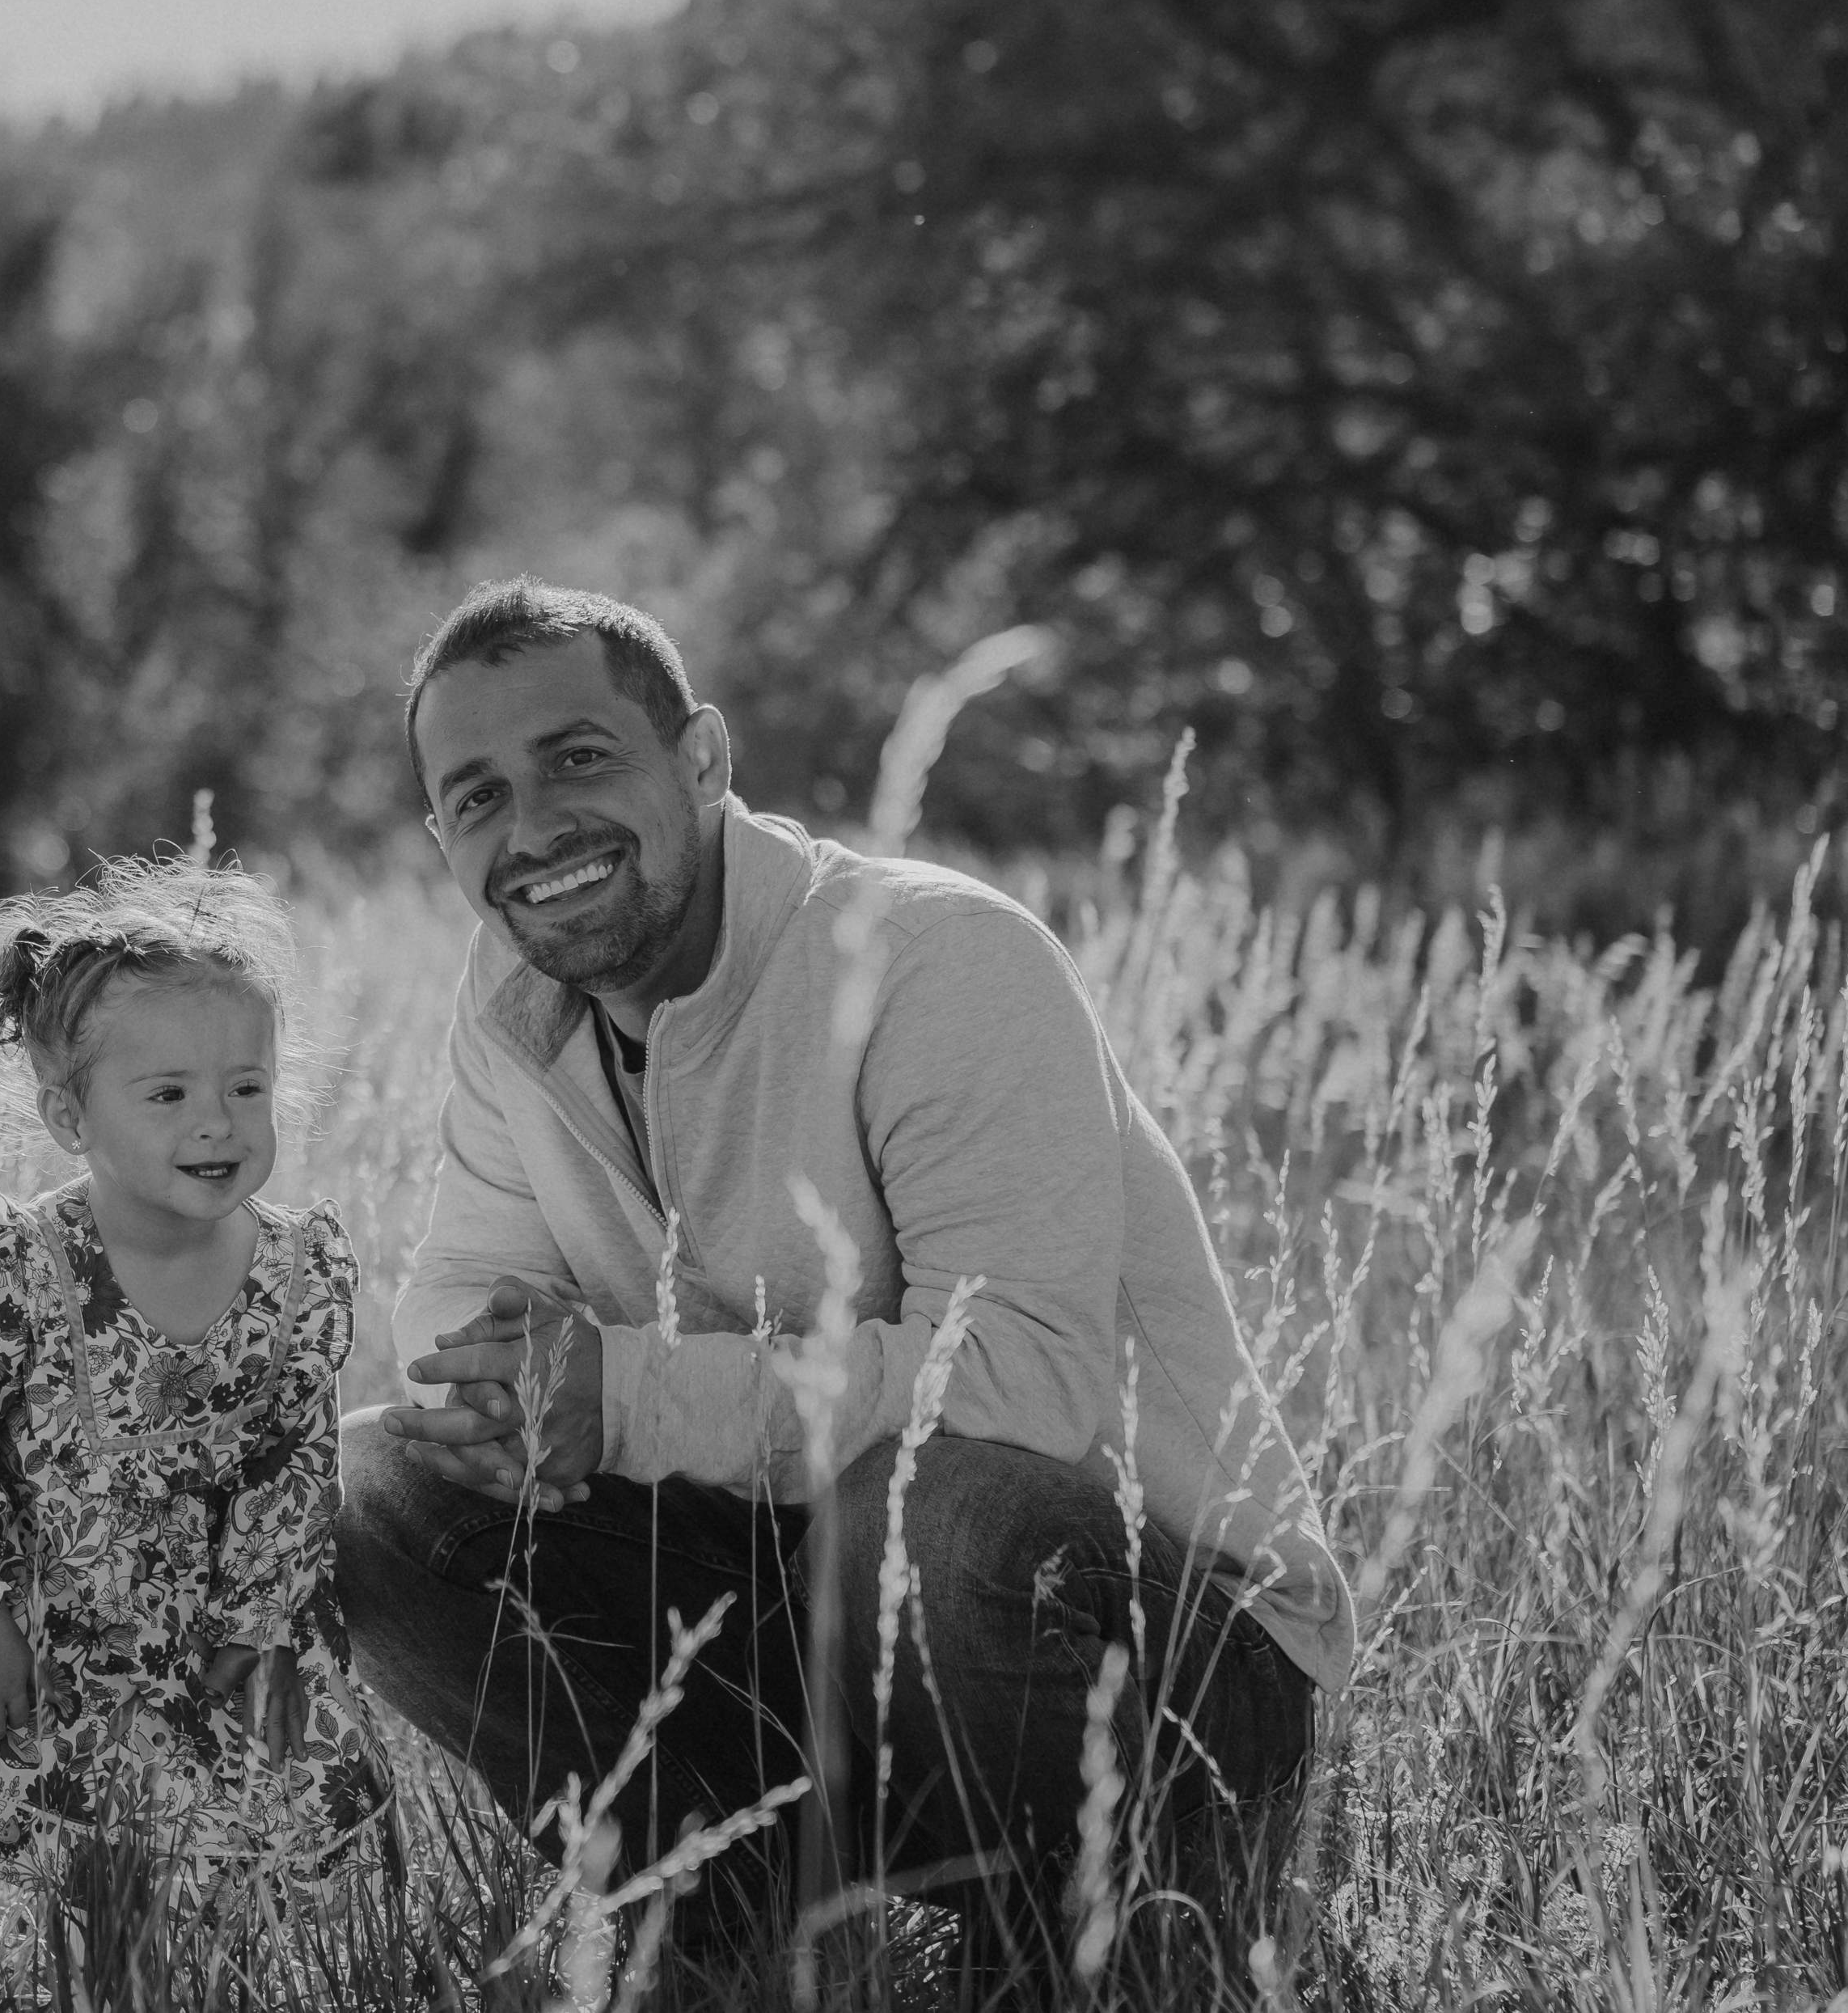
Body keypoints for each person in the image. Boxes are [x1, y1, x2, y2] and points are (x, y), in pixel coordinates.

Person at [339, 577, 1348, 1957]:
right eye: (476, 796)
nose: (533, 829)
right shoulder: (515, 1000)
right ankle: (727, 1922)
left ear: (702, 757)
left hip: (1168, 1664)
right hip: (819, 1618)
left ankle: (1114, 1939)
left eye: (578, 758)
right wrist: (505, 1396)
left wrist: (620, 1393)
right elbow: (470, 1302)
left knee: (931, 1503)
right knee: (381, 1484)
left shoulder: (941, 957)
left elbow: (1018, 1394)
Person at [0, 859, 387, 1972]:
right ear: (71, 1115)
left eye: (246, 1087)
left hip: (194, 1620)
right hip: (8, 1609)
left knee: (236, 1784)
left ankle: (157, 1964)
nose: (217, 1120)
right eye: (166, 1094)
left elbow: (294, 1463)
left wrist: (261, 1622)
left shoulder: (297, 1274)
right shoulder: (21, 1266)